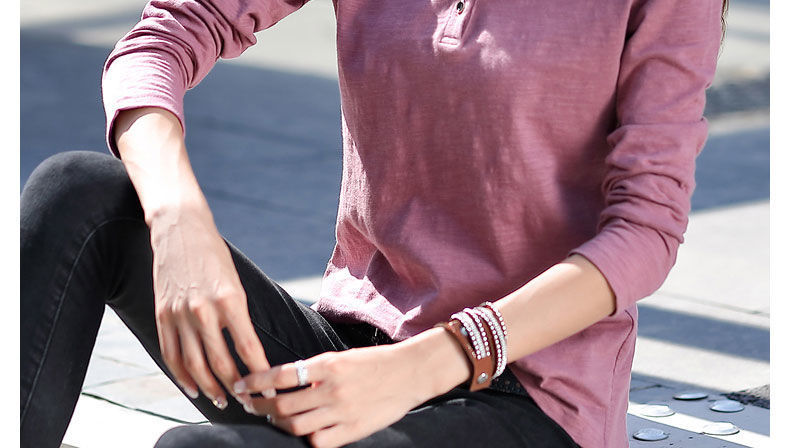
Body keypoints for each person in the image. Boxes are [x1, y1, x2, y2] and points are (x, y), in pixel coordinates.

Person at [20, 0, 728, 446]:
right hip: (349, 352)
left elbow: (647, 228)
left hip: (530, 395)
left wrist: (424, 365)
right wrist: (179, 220)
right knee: (79, 195)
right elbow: (164, 37)